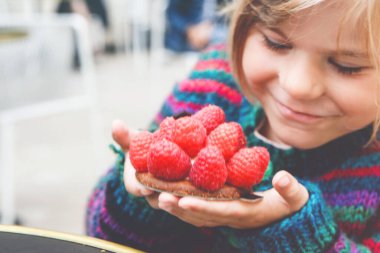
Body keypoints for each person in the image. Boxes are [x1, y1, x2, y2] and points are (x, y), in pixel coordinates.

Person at [86, 0, 380, 252]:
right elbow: (99, 233)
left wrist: (296, 232)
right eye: (276, 43)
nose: (297, 86)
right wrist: (144, 199)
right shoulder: (213, 84)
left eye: (347, 65)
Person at [164, 0, 230, 52]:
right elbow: (172, 13)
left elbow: (225, 13)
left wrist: (209, 27)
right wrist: (189, 30)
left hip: (210, 32)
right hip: (185, 36)